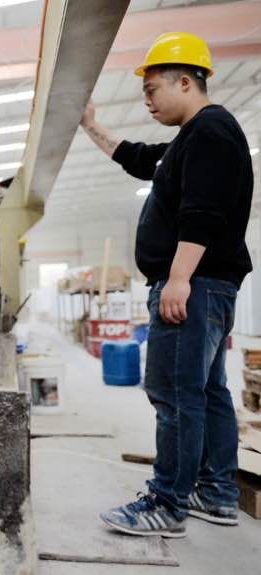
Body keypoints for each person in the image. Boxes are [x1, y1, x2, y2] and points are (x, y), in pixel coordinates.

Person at [80, 31, 254, 537]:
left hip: (194, 285)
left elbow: (203, 213)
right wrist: (91, 127)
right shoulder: (191, 141)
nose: (147, 100)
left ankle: (167, 502)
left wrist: (179, 279)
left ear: (185, 82)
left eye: (152, 89)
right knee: (207, 390)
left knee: (174, 393)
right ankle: (216, 493)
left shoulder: (210, 132)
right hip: (207, 286)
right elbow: (139, 158)